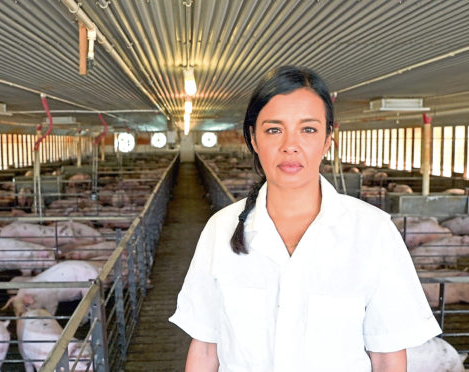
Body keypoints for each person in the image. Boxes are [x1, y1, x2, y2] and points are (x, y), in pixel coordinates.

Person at [169, 65, 441, 372]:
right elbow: (206, 348)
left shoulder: (373, 231)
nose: (290, 145)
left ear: (327, 140)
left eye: (308, 129)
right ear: (254, 139)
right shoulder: (221, 229)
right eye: (274, 129)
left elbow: (388, 357)